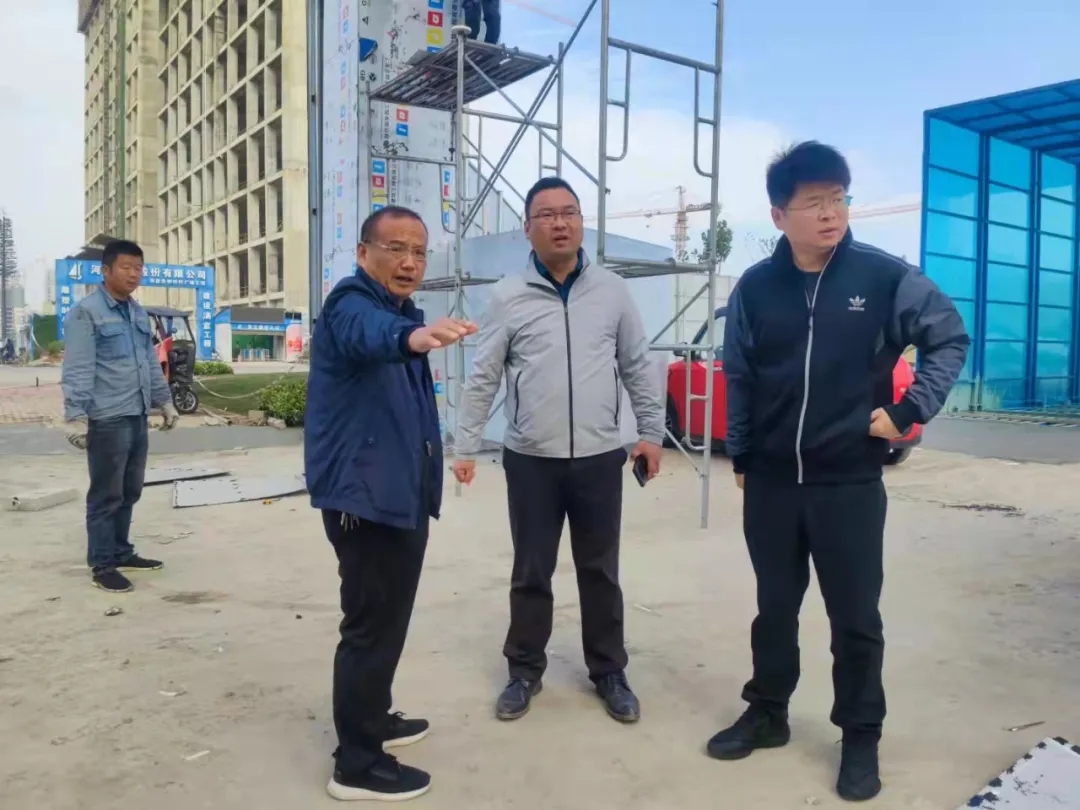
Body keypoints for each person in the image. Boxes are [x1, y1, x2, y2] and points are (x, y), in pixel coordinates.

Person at [709, 142, 970, 801]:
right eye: (814, 203)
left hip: (848, 483)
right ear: (779, 215)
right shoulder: (755, 288)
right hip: (772, 484)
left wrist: (908, 409)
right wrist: (742, 454)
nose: (830, 213)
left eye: (839, 199)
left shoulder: (883, 277)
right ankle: (768, 712)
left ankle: (860, 734)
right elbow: (739, 374)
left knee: (855, 618)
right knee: (774, 608)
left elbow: (948, 336)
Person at [452, 176, 665, 725]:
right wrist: (466, 445)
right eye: (546, 215)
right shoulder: (508, 295)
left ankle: (609, 671)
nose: (560, 223)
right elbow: (484, 374)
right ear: (528, 228)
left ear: (581, 222)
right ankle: (524, 670)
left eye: (569, 212)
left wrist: (651, 431)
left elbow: (637, 364)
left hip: (599, 457)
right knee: (531, 570)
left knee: (600, 570)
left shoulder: (612, 291)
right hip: (531, 459)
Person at [305, 205, 477, 802]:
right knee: (370, 628)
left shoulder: (400, 311)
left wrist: (410, 331)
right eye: (395, 249)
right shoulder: (352, 304)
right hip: (366, 499)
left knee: (388, 622)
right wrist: (411, 338)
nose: (409, 262)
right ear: (363, 253)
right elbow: (368, 335)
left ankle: (372, 719)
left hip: (396, 493)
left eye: (419, 252)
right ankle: (356, 764)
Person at [60, 240, 180, 594]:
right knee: (105, 494)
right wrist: (76, 416)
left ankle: (121, 551)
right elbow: (78, 367)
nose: (133, 274)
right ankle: (102, 564)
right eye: (126, 267)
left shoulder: (138, 313)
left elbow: (150, 363)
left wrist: (165, 402)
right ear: (106, 270)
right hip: (107, 416)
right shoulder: (86, 313)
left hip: (136, 414)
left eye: (138, 268)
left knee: (130, 489)